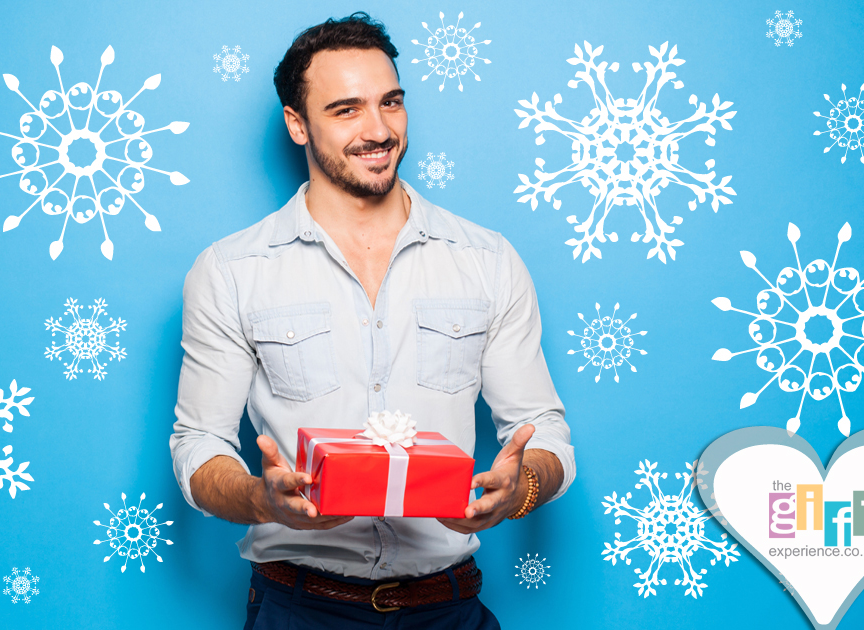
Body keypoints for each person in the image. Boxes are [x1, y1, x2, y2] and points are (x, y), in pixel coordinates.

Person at [170, 12, 574, 629]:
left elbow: (542, 431)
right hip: (299, 610)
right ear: (297, 124)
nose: (379, 129)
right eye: (347, 109)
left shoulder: (488, 259)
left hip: (450, 608)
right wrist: (263, 500)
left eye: (391, 102)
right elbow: (198, 444)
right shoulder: (230, 270)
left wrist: (519, 491)